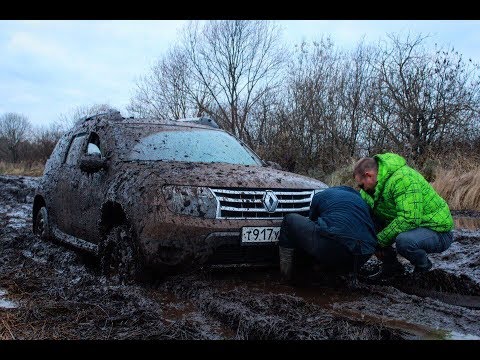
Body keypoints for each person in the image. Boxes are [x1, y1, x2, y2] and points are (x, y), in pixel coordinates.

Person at [353, 152, 454, 280]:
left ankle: (424, 269)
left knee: (404, 241)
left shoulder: (403, 178)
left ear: (369, 175)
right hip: (415, 226)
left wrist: (379, 241)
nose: (361, 189)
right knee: (369, 226)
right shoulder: (370, 189)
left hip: (438, 230)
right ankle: (391, 267)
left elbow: (409, 219)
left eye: (361, 185)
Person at [278, 186, 377, 282]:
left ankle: (286, 277)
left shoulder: (321, 195)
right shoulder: (362, 201)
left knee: (289, 220)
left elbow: (313, 223)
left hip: (336, 246)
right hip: (365, 252)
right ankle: (341, 273)